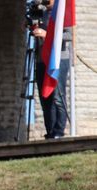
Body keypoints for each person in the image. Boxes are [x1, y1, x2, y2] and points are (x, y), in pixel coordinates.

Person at [31, 1, 72, 139]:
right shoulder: (41, 13)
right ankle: (50, 132)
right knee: (45, 97)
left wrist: (46, 34)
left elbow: (68, 36)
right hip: (41, 59)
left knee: (58, 96)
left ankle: (58, 132)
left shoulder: (63, 12)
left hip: (58, 59)